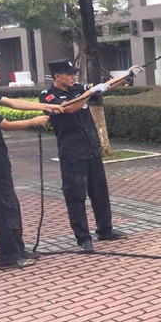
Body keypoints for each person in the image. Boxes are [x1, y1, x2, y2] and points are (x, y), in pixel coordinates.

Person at [40, 59, 140, 252]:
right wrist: (91, 92)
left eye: (73, 74)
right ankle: (83, 238)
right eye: (69, 74)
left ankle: (105, 229)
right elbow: (69, 107)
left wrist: (127, 76)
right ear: (57, 76)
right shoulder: (48, 96)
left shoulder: (79, 88)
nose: (73, 77)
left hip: (92, 150)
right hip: (72, 153)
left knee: (100, 193)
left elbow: (104, 86)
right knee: (76, 197)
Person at [0, 58, 62, 269]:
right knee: (3, 210)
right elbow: (5, 125)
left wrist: (46, 106)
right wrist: (34, 122)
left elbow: (13, 103)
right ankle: (8, 258)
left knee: (11, 207)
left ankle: (18, 250)